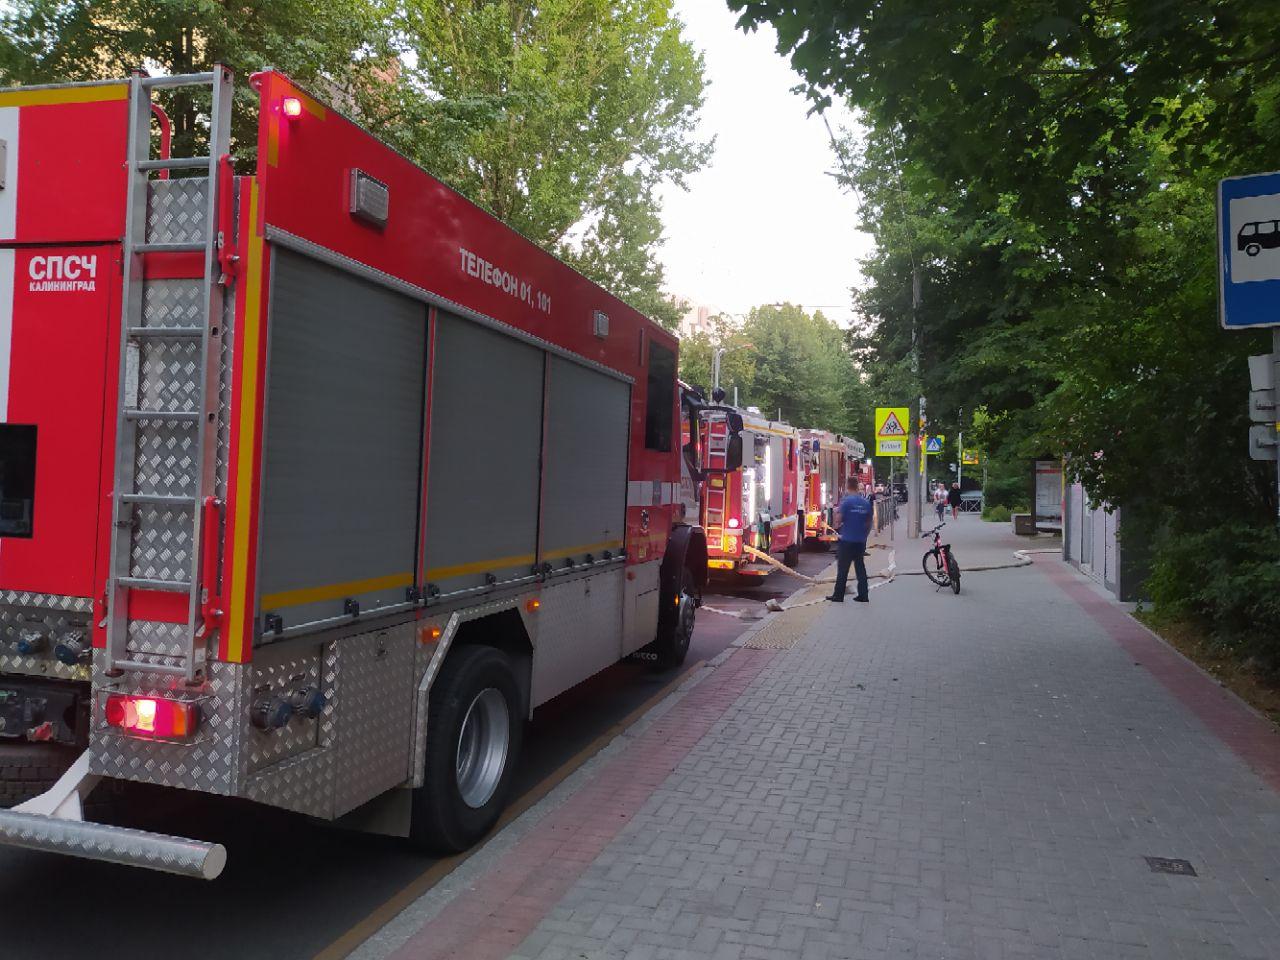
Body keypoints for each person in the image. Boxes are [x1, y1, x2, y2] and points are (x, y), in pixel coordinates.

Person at [827, 476, 873, 603]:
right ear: (857, 486)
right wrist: (864, 535)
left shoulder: (846, 502)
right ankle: (863, 595)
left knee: (843, 569)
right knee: (860, 568)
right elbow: (869, 522)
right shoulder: (865, 502)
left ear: (847, 486)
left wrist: (838, 521)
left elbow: (838, 521)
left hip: (847, 541)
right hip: (860, 541)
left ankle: (838, 595)